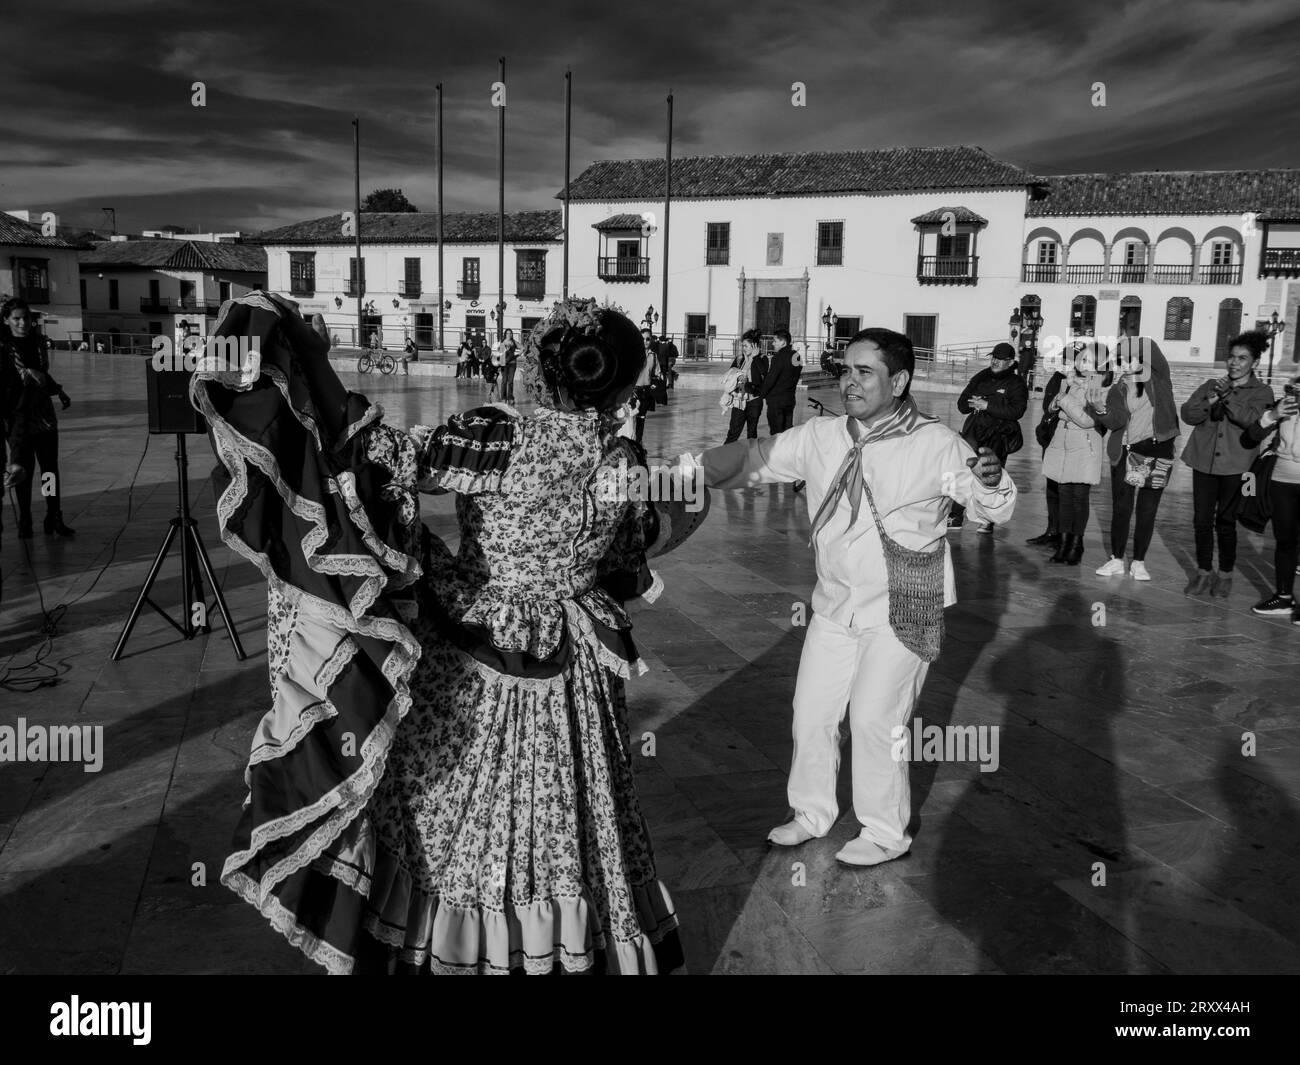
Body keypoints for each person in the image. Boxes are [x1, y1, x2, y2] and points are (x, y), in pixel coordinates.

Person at [192, 292, 687, 974]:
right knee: (577, 814)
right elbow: (628, 555)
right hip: (575, 660)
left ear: (541, 370)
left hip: (482, 641)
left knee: (450, 804)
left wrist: (307, 369)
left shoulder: (497, 435)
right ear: (626, 385)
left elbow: (377, 461)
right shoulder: (626, 459)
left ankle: (454, 945)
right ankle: (564, 946)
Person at [687, 328, 1016, 865]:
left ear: (900, 380)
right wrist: (680, 474)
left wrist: (991, 480)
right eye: (846, 370)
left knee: (873, 719)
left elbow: (991, 508)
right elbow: (753, 459)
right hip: (833, 604)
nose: (850, 381)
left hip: (905, 604)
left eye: (865, 371)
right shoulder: (821, 436)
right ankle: (811, 813)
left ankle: (885, 832)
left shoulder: (936, 443)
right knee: (810, 713)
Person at [1178, 331, 1275, 597]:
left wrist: (1228, 397)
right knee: (1200, 520)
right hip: (1204, 463)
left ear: (1254, 362)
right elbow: (1188, 414)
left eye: (1242, 358)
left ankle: (1226, 574)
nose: (1234, 363)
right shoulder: (1211, 384)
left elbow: (1253, 421)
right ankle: (1203, 572)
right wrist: (1211, 399)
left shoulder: (1262, 391)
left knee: (1226, 521)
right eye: (1231, 357)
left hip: (1238, 466)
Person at [1092, 337, 1180, 582]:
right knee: (1121, 508)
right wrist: (1101, 409)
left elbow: (1152, 349)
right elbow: (1116, 421)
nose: (1125, 364)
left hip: (1158, 450)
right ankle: (1117, 559)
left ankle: (1139, 562)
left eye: (1130, 358)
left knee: (1147, 510)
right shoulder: (1119, 388)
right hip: (1126, 452)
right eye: (1122, 360)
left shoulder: (1159, 378)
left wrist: (1125, 342)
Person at [2, 298, 73, 538]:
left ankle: (53, 514)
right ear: (6, 321)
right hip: (18, 416)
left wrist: (58, 390)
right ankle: (25, 517)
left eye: (26, 318)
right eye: (17, 319)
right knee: (23, 469)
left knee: (49, 469)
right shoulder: (3, 347)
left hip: (43, 415)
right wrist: (26, 373)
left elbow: (44, 374)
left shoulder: (39, 342)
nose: (23, 323)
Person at [1040, 340, 1110, 565]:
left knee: (1079, 497)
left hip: (1084, 445)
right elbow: (1052, 407)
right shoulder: (1069, 380)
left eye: (1088, 359)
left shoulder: (1099, 385)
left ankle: (1076, 545)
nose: (1082, 362)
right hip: (1063, 443)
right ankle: (1062, 542)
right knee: (1064, 496)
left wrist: (1064, 401)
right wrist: (1062, 396)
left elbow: (1088, 420)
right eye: (1082, 358)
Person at [949, 342, 1027, 533]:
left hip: (999, 436)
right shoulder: (981, 377)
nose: (994, 361)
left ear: (1009, 362)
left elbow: (1017, 411)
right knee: (964, 472)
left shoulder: (1016, 383)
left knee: (990, 476)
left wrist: (988, 406)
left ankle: (987, 519)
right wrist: (973, 404)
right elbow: (961, 405)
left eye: (999, 359)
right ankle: (955, 516)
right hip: (974, 433)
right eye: (993, 357)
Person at [1245, 376, 1300, 622]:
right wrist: (1274, 414)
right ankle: (1284, 597)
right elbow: (1252, 435)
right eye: (1291, 389)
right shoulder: (1284, 407)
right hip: (1282, 481)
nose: (1294, 394)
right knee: (1285, 540)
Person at [723, 329, 768, 443]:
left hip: (755, 400)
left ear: (754, 346)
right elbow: (729, 375)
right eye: (743, 345)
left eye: (746, 346)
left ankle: (751, 457)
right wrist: (738, 378)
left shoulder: (762, 358)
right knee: (733, 432)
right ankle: (724, 456)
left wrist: (756, 357)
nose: (743, 348)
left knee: (752, 433)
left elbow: (764, 374)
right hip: (739, 400)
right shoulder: (739, 359)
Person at [757, 328, 803, 436]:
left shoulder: (778, 357)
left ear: (783, 342)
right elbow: (796, 374)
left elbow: (771, 379)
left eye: (775, 341)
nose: (773, 344)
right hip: (789, 400)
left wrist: (761, 395)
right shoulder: (797, 356)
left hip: (776, 402)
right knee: (787, 433)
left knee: (776, 434)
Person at [500, 328, 518, 404]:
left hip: (512, 364)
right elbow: (500, 354)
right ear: (505, 334)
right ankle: (503, 398)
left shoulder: (514, 342)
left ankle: (510, 397)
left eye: (510, 333)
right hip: (504, 363)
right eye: (508, 333)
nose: (509, 335)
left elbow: (523, 348)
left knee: (510, 381)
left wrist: (517, 354)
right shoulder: (502, 342)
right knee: (504, 381)